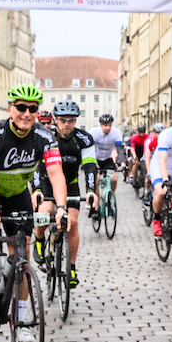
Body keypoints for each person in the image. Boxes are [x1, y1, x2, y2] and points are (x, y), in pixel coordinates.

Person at [0, 86, 68, 342]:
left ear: (37, 112)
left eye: (32, 109)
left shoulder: (45, 137)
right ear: (10, 108)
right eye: (21, 107)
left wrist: (61, 208)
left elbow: (56, 174)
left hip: (16, 193)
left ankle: (22, 321)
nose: (26, 113)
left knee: (21, 255)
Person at [51, 100, 93, 286]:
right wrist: (36, 190)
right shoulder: (48, 137)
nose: (67, 124)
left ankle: (72, 267)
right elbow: (37, 167)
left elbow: (90, 166)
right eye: (62, 120)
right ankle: (43, 244)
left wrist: (91, 190)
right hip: (48, 184)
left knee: (73, 223)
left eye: (71, 120)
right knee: (46, 213)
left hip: (72, 185)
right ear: (55, 120)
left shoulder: (84, 138)